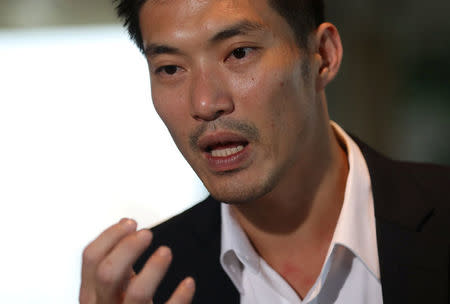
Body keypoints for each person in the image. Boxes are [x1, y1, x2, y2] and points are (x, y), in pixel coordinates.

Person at [79, 0, 450, 303]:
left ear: (323, 55)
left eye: (239, 53)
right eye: (170, 68)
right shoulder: (143, 286)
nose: (205, 102)